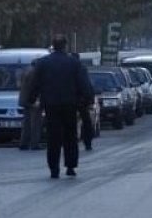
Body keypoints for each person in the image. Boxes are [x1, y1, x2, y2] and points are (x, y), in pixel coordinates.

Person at [28, 36, 93, 178]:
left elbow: (35, 84)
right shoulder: (74, 63)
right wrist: (87, 99)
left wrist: (31, 99)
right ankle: (70, 166)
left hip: (51, 105)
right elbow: (84, 84)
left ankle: (54, 168)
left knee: (53, 138)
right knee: (70, 136)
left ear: (53, 46)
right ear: (65, 46)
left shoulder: (43, 63)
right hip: (70, 105)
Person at [17, 60, 44, 151]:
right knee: (35, 123)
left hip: (25, 100)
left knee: (26, 123)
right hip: (33, 101)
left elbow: (21, 85)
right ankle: (34, 144)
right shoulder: (35, 73)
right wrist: (36, 100)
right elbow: (35, 87)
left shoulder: (26, 70)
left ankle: (23, 143)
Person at [72, 53, 95, 151]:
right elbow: (87, 84)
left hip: (69, 100)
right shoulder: (82, 69)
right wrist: (89, 98)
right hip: (81, 100)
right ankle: (87, 142)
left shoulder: (66, 69)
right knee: (86, 122)